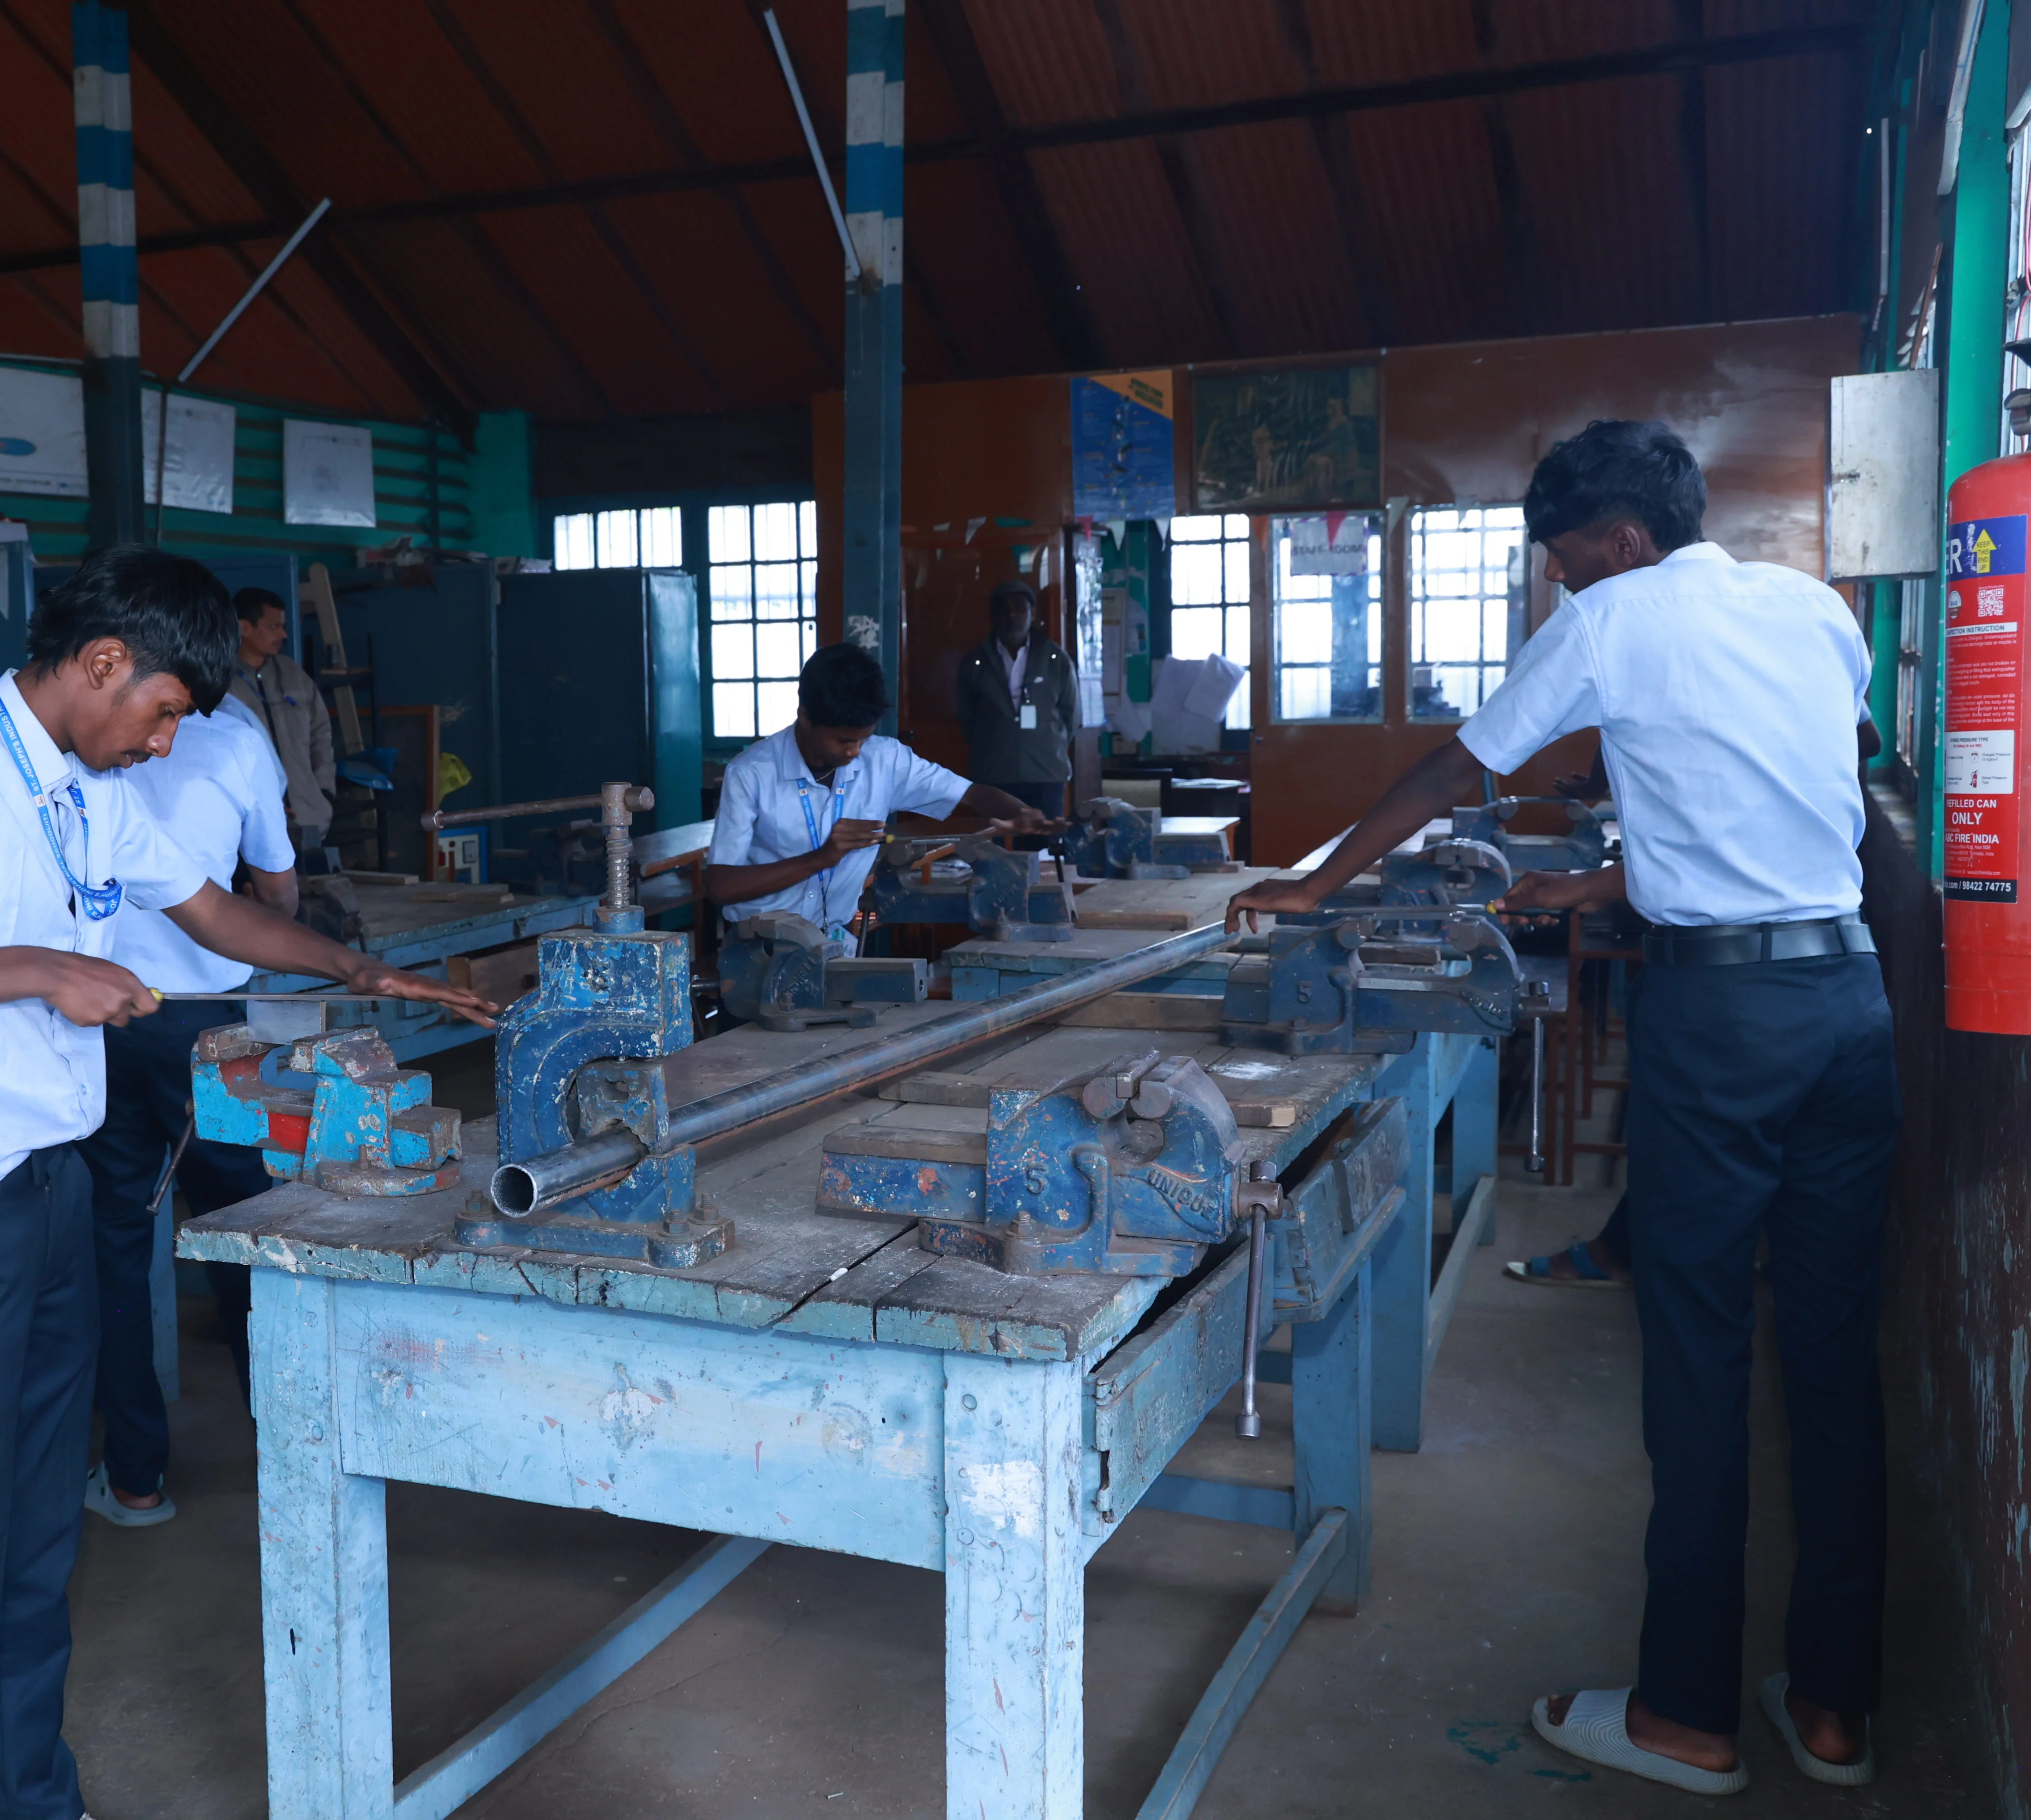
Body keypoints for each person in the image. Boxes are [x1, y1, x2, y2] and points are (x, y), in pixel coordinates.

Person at [1228, 421, 1893, 1795]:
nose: (1559, 585)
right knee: (1829, 1356)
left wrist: (1313, 880)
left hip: (1724, 1025)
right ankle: (1832, 1707)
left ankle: (1688, 1717)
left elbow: (1450, 770)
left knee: (1699, 1360)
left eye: (1565, 559)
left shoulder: (1616, 618)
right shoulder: (1814, 608)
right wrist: (1607, 875)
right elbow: (1786, 793)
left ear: (1624, 542)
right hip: (1850, 1005)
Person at [0, 545, 493, 1820]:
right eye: (165, 711)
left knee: (37, 1546)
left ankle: (34, 1799)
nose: (166, 744)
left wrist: (358, 975)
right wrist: (40, 970)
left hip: (50, 1190)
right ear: (104, 663)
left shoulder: (85, 787)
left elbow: (213, 915)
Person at [76, 686, 300, 1527]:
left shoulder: (79, 737)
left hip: (99, 1020)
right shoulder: (239, 741)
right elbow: (276, 893)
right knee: (244, 1232)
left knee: (115, 1245)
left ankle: (136, 1478)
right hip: (210, 1030)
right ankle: (285, 1449)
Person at [707, 641, 1062, 956]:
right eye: (844, 741)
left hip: (834, 948)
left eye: (863, 740)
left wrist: (1019, 811)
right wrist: (822, 858)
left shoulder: (885, 760)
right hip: (761, 953)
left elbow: (971, 793)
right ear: (805, 717)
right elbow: (721, 886)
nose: (854, 752)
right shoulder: (751, 773)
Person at [953, 581, 1077, 823]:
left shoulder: (1055, 659)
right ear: (993, 615)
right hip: (994, 773)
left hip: (1046, 772)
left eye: (1020, 608)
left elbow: (1070, 715)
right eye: (1004, 609)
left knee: (1044, 851)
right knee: (995, 851)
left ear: (1033, 613)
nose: (1012, 615)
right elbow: (966, 718)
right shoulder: (975, 662)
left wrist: (1045, 744)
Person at [228, 584, 336, 853]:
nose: (284, 635)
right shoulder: (219, 682)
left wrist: (324, 792)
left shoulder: (293, 674)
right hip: (250, 824)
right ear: (244, 628)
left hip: (310, 815)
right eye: (274, 627)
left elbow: (322, 735)